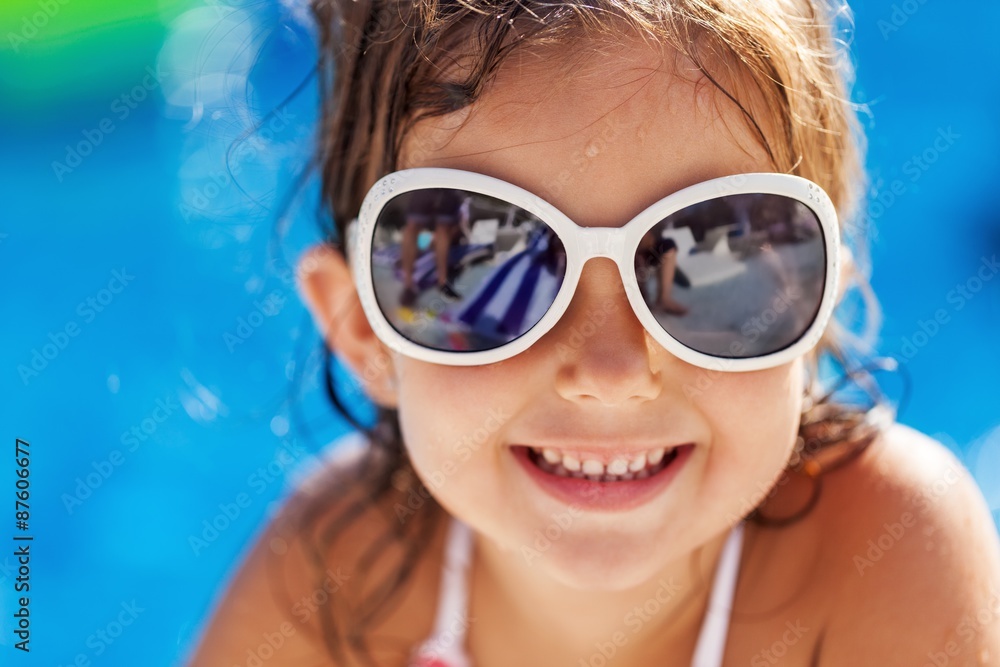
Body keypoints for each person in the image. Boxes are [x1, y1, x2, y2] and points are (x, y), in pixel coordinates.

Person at [186, 1, 1000, 666]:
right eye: (484, 261)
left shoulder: (882, 558)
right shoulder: (337, 576)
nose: (610, 369)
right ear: (363, 327)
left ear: (819, 297)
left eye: (717, 256)